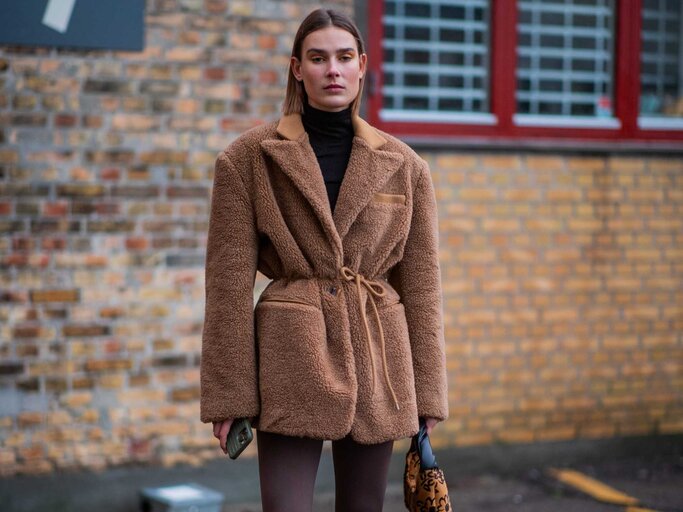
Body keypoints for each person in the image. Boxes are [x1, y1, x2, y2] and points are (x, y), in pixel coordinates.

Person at [200, 8, 448, 512]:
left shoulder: (406, 166)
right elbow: (226, 285)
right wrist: (229, 396)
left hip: (380, 360)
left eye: (343, 57)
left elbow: (421, 285)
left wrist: (428, 392)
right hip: (291, 356)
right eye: (317, 58)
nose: (332, 69)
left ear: (362, 66)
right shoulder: (247, 159)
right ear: (297, 68)